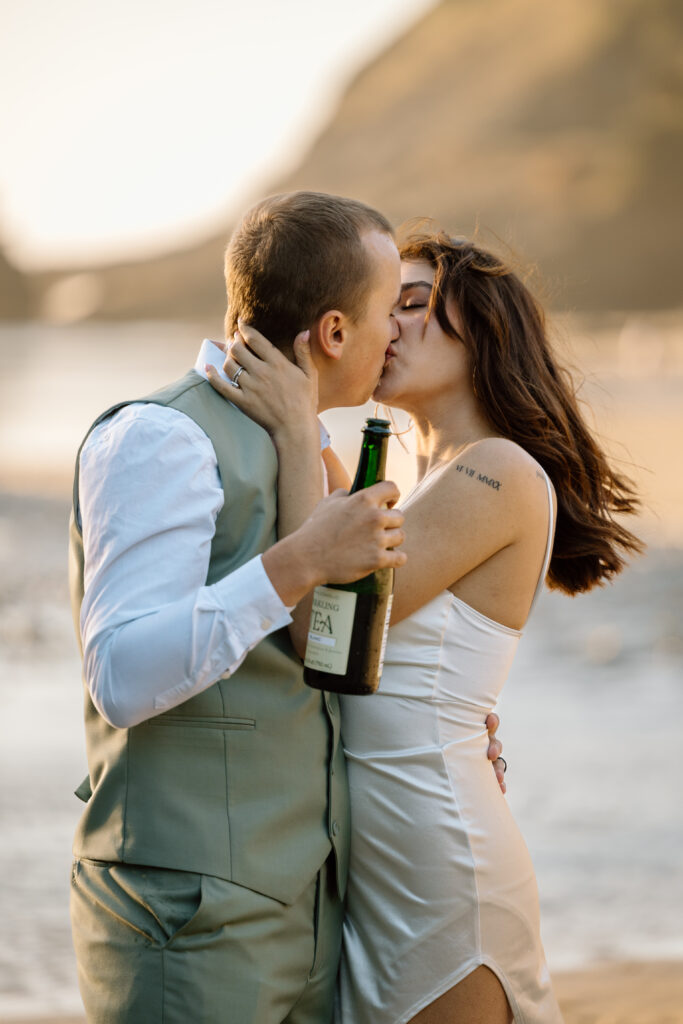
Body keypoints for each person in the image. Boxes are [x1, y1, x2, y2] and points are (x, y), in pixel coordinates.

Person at [68, 192, 505, 1024]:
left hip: (310, 910)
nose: (394, 336)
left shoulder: (309, 451)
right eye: (388, 311)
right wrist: (295, 563)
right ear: (335, 333)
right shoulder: (162, 438)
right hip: (184, 915)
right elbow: (120, 677)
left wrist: (451, 714)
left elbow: (363, 628)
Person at [209, 230, 642, 1024]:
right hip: (384, 853)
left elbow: (318, 628)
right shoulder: (419, 487)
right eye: (383, 306)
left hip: (436, 855)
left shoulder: (496, 469)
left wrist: (298, 426)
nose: (389, 325)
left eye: (414, 304)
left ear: (484, 331)